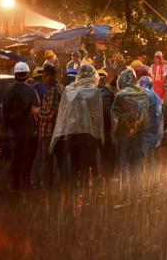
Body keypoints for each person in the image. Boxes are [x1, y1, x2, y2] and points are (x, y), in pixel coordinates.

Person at [50, 64, 103, 196]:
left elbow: (64, 113)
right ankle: (84, 194)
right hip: (87, 134)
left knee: (73, 163)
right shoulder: (94, 91)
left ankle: (71, 194)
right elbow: (97, 116)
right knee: (85, 164)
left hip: (71, 133)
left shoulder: (69, 89)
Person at [3, 62, 40, 192]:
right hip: (29, 132)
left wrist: (10, 126)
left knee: (16, 158)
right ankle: (26, 183)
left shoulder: (9, 91)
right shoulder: (31, 91)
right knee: (28, 158)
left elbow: (5, 112)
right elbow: (36, 111)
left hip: (14, 131)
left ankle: (15, 184)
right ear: (27, 74)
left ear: (15, 75)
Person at [111, 69, 149, 185]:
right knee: (137, 160)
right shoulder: (143, 93)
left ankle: (125, 189)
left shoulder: (120, 95)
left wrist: (114, 132)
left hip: (124, 133)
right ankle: (136, 189)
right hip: (139, 131)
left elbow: (115, 117)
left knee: (124, 161)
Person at [35, 65, 64, 189]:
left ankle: (47, 188)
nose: (43, 78)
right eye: (42, 75)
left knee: (46, 161)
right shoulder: (58, 88)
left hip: (49, 132)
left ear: (52, 76)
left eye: (45, 75)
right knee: (58, 160)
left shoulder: (53, 90)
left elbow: (50, 113)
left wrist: (37, 111)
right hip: (56, 131)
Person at [138, 76, 164, 166]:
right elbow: (160, 116)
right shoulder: (156, 96)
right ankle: (154, 178)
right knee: (152, 156)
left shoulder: (144, 95)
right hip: (155, 131)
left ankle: (148, 179)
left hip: (145, 131)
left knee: (145, 157)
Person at [97, 69, 116, 181]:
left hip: (95, 128)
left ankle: (100, 175)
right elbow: (109, 112)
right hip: (104, 128)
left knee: (100, 153)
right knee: (107, 152)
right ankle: (106, 177)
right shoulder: (107, 92)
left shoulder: (92, 91)